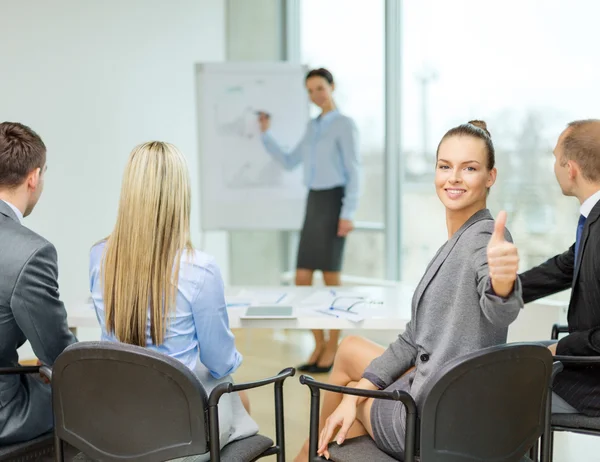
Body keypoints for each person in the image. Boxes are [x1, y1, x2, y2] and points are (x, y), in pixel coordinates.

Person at [293, 120, 523, 461]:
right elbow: (413, 338)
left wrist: (503, 284)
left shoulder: (484, 240)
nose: (454, 178)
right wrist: (356, 395)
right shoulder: (458, 240)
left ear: (491, 176)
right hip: (440, 399)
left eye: (469, 168)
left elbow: (500, 308)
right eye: (445, 166)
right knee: (350, 364)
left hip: (432, 420)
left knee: (344, 404)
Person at [89, 141, 258, 456]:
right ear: (180, 196)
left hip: (116, 421)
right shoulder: (199, 268)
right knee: (235, 395)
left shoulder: (99, 256)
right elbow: (219, 362)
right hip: (179, 430)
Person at [257, 68, 361, 373]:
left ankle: (333, 346)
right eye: (311, 91)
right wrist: (266, 134)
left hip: (334, 202)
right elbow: (291, 160)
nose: (316, 95)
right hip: (314, 202)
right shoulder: (312, 127)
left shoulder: (344, 124)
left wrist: (348, 213)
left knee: (331, 279)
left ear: (332, 87)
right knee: (302, 278)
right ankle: (318, 342)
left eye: (320, 88)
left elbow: (355, 170)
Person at [0, 122, 76, 444]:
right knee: (90, 399)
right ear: (33, 178)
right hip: (6, 413)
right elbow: (59, 355)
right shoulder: (30, 253)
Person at [519, 119, 600, 417]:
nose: (553, 167)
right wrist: (505, 289)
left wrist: (561, 347)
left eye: (555, 158)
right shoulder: (594, 220)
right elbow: (567, 265)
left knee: (498, 384)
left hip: (591, 382)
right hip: (586, 363)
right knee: (508, 360)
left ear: (571, 168)